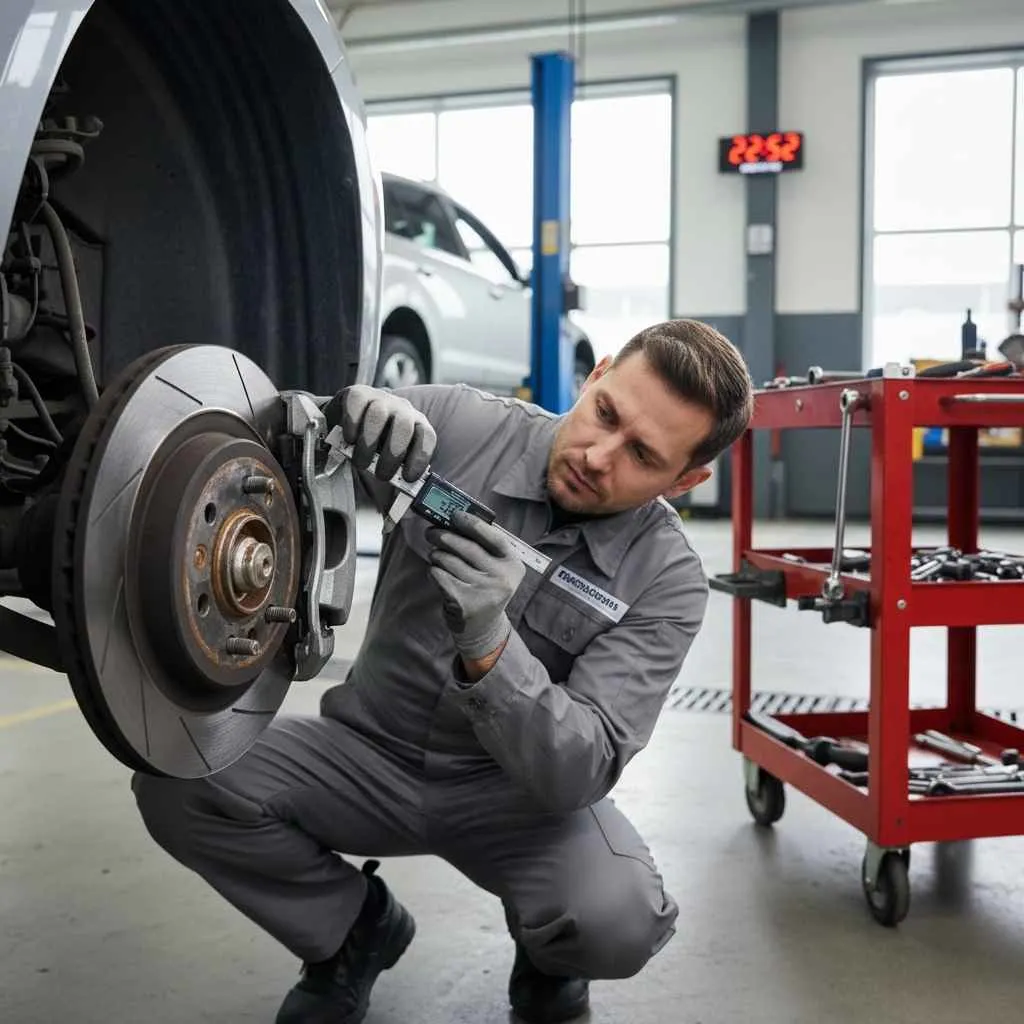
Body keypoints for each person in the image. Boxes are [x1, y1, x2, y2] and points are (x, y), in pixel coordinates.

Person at [132, 318, 754, 1024]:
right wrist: (343, 412)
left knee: (618, 918)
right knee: (179, 781)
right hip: (365, 754)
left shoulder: (667, 579)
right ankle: (352, 930)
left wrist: (491, 642)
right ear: (597, 373)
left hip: (516, 798)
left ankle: (551, 957)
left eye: (642, 454)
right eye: (605, 413)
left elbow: (580, 767)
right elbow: (289, 445)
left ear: (689, 477)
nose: (597, 455)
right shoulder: (459, 424)